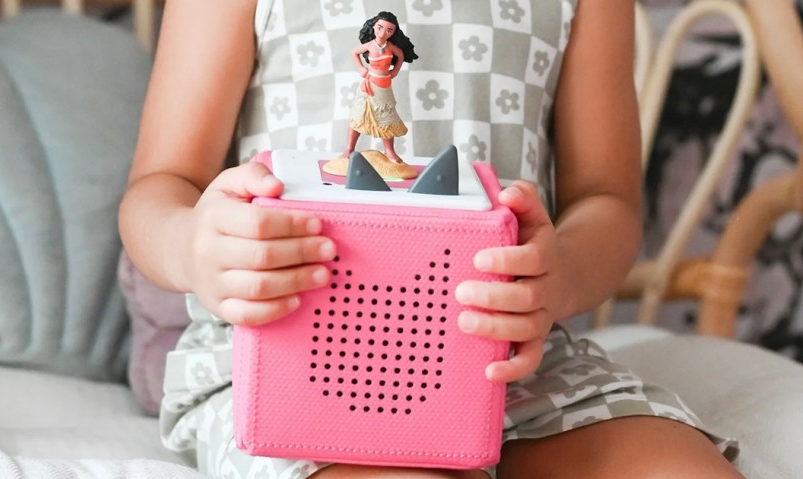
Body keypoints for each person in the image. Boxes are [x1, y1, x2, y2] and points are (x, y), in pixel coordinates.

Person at [118, 1, 744, 478]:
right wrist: (193, 247)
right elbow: (159, 186)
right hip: (286, 361)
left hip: (511, 362)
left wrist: (560, 273)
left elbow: (607, 201)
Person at [343, 11, 417, 163]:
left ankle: (389, 151)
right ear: (373, 27)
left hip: (384, 86)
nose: (383, 32)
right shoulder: (370, 45)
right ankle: (349, 149)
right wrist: (361, 68)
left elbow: (401, 56)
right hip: (369, 85)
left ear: (393, 32)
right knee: (359, 116)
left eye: (389, 30)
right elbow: (354, 52)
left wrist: (394, 71)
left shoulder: (390, 46)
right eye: (380, 27)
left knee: (387, 118)